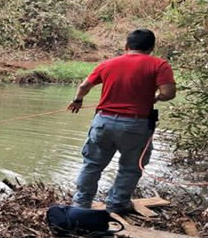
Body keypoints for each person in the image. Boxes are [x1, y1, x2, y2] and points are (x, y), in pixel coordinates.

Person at [68, 29, 176, 213]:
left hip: (103, 122)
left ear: (126, 46)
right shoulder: (159, 65)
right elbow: (169, 93)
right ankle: (117, 204)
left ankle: (80, 203)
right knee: (130, 167)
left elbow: (84, 86)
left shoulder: (109, 64)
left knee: (92, 164)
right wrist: (156, 97)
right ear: (151, 48)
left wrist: (78, 100)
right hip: (135, 125)